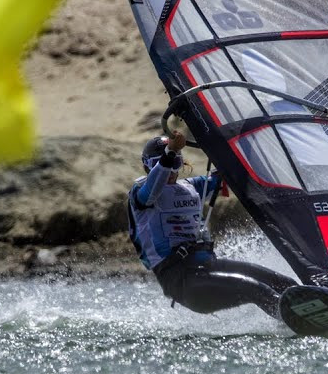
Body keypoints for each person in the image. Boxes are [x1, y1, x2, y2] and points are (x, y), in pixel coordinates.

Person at [126, 131, 297, 319]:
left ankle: (320, 302)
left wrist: (245, 143)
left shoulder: (191, 187)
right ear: (147, 167)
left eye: (176, 164)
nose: (171, 172)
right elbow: (152, 189)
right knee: (255, 289)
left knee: (283, 283)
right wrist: (170, 153)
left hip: (208, 266)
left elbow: (229, 174)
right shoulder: (140, 194)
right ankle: (295, 320)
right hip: (182, 282)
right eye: (164, 164)